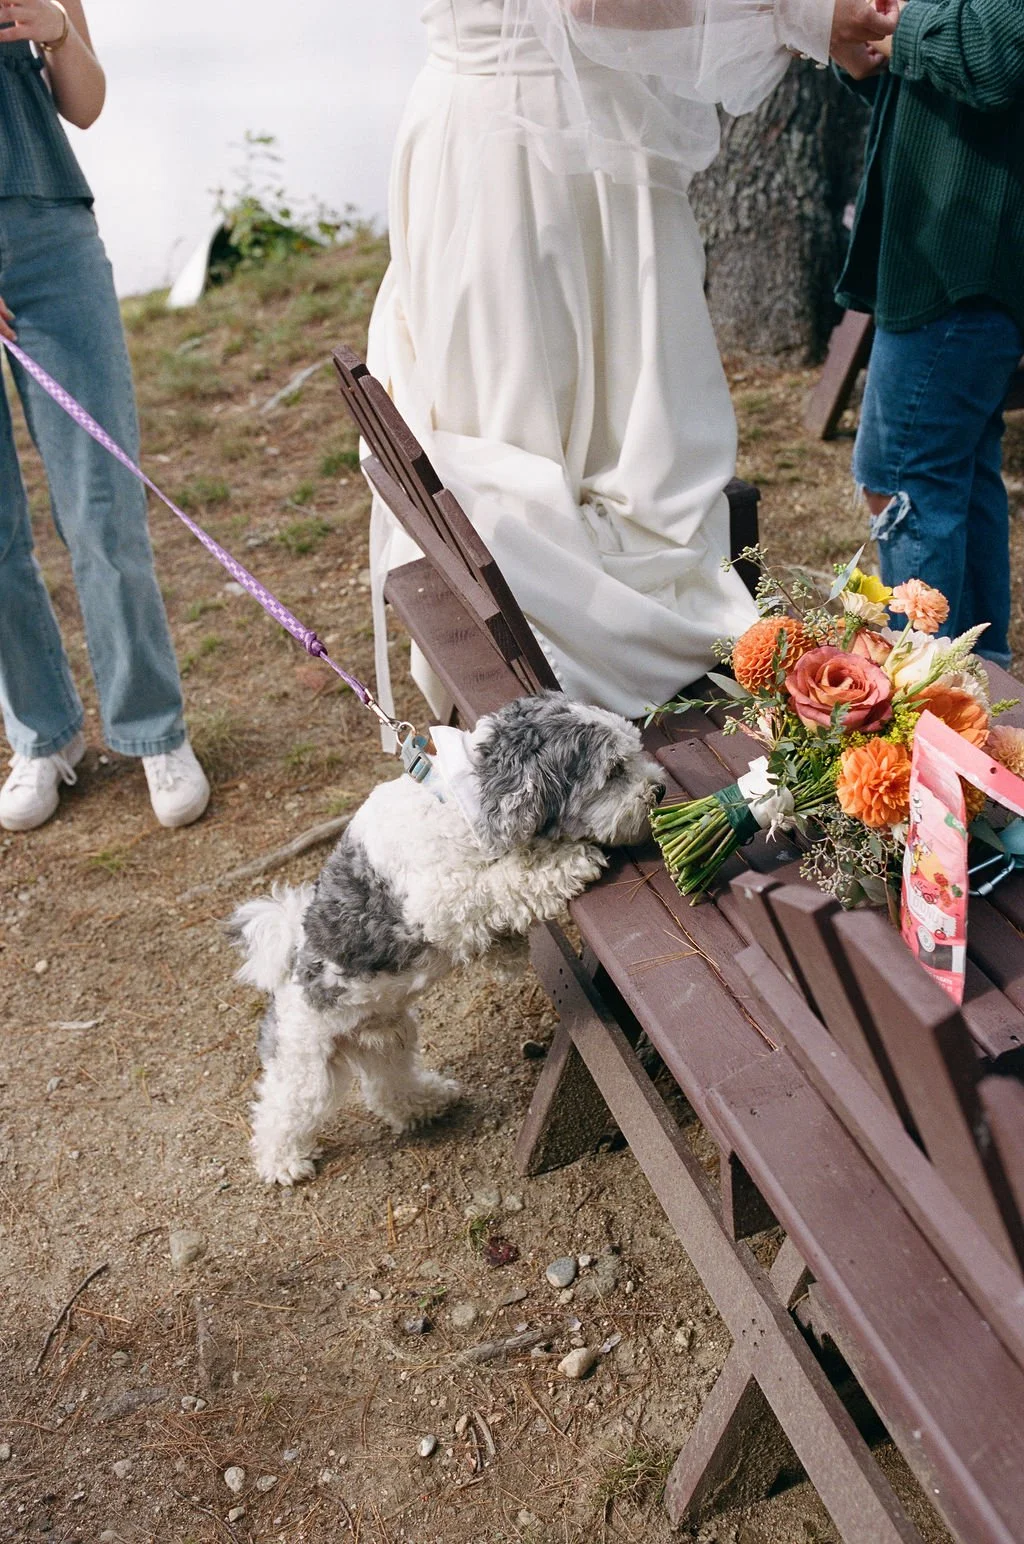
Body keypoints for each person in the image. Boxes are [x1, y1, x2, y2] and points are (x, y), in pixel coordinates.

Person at [367, 0, 898, 724]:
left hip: (513, 128)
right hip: (534, 155)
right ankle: (566, 693)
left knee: (564, 416)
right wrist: (799, 14)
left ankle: (544, 712)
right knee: (545, 420)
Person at [0, 0, 210, 830]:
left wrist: (56, 28)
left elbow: (82, 104)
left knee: (102, 506)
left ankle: (153, 730)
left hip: (53, 238)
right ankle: (42, 734)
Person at [835, 0, 1024, 667]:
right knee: (955, 473)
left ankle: (930, 702)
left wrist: (893, 23)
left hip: (968, 251)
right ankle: (978, 695)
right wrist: (861, 52)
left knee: (903, 476)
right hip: (945, 247)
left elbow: (1000, 53)